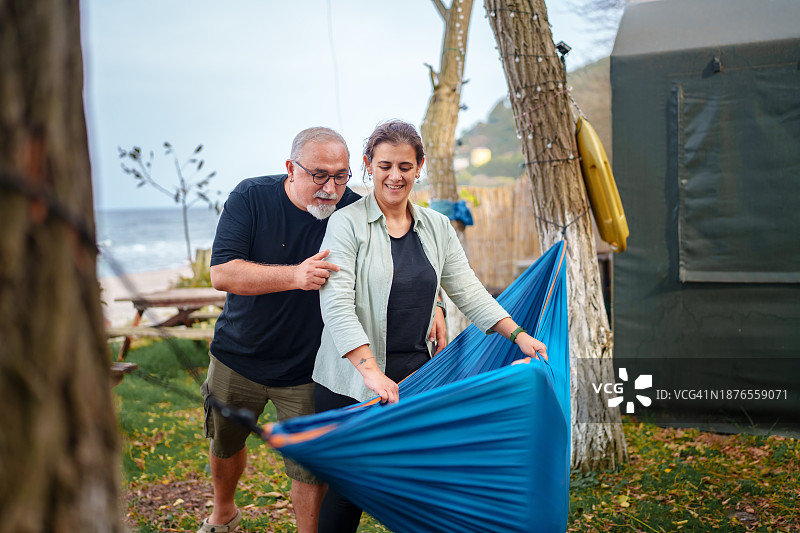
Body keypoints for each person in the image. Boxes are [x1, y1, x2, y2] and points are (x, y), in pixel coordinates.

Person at [199, 126, 449, 533]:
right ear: (290, 169)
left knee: (310, 468)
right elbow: (222, 274)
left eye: (340, 175)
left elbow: (411, 259)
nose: (330, 188)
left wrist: (435, 303)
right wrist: (295, 276)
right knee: (226, 444)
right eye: (319, 175)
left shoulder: (355, 210)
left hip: (308, 366)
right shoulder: (251, 198)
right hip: (239, 355)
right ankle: (223, 511)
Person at [311, 120, 548, 532]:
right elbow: (336, 306)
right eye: (384, 165)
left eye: (405, 166)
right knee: (350, 489)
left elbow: (468, 291)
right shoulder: (346, 225)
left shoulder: (436, 227)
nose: (395, 175)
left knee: (416, 487)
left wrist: (518, 334)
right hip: (350, 384)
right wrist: (370, 371)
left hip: (417, 380)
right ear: (369, 165)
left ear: (419, 167)